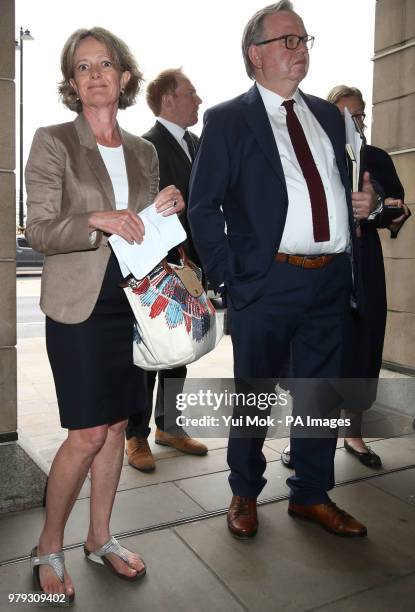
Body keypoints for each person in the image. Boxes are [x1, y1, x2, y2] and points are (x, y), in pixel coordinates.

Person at [188, 1, 378, 540]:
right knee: (255, 394)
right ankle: (244, 493)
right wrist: (231, 277)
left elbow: (351, 182)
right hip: (266, 282)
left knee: (319, 395)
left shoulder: (330, 115)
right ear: (256, 54)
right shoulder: (228, 120)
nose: (300, 50)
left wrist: (367, 201)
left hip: (330, 280)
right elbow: (204, 207)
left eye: (303, 40)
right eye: (288, 41)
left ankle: (312, 496)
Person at [25, 28, 185, 602]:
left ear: (123, 76)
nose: (96, 74)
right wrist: (98, 218)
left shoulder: (144, 150)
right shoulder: (52, 142)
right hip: (79, 306)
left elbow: (143, 229)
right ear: (73, 82)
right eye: (83, 66)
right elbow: (39, 230)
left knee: (118, 425)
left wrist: (163, 209)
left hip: (134, 303)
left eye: (106, 64)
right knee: (87, 431)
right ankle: (49, 544)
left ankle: (98, 536)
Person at [281, 87, 410, 471]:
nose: (352, 123)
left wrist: (377, 209)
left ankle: (354, 434)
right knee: (315, 362)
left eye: (358, 116)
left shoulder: (376, 158)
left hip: (364, 271)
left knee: (362, 352)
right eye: (343, 116)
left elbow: (397, 209)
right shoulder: (315, 153)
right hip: (321, 271)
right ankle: (302, 444)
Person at [125, 69, 208, 473]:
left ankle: (169, 427)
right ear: (168, 99)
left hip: (192, 262)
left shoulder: (198, 143)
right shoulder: (146, 146)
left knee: (180, 349)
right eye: (191, 93)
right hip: (159, 266)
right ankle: (135, 434)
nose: (199, 99)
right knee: (150, 351)